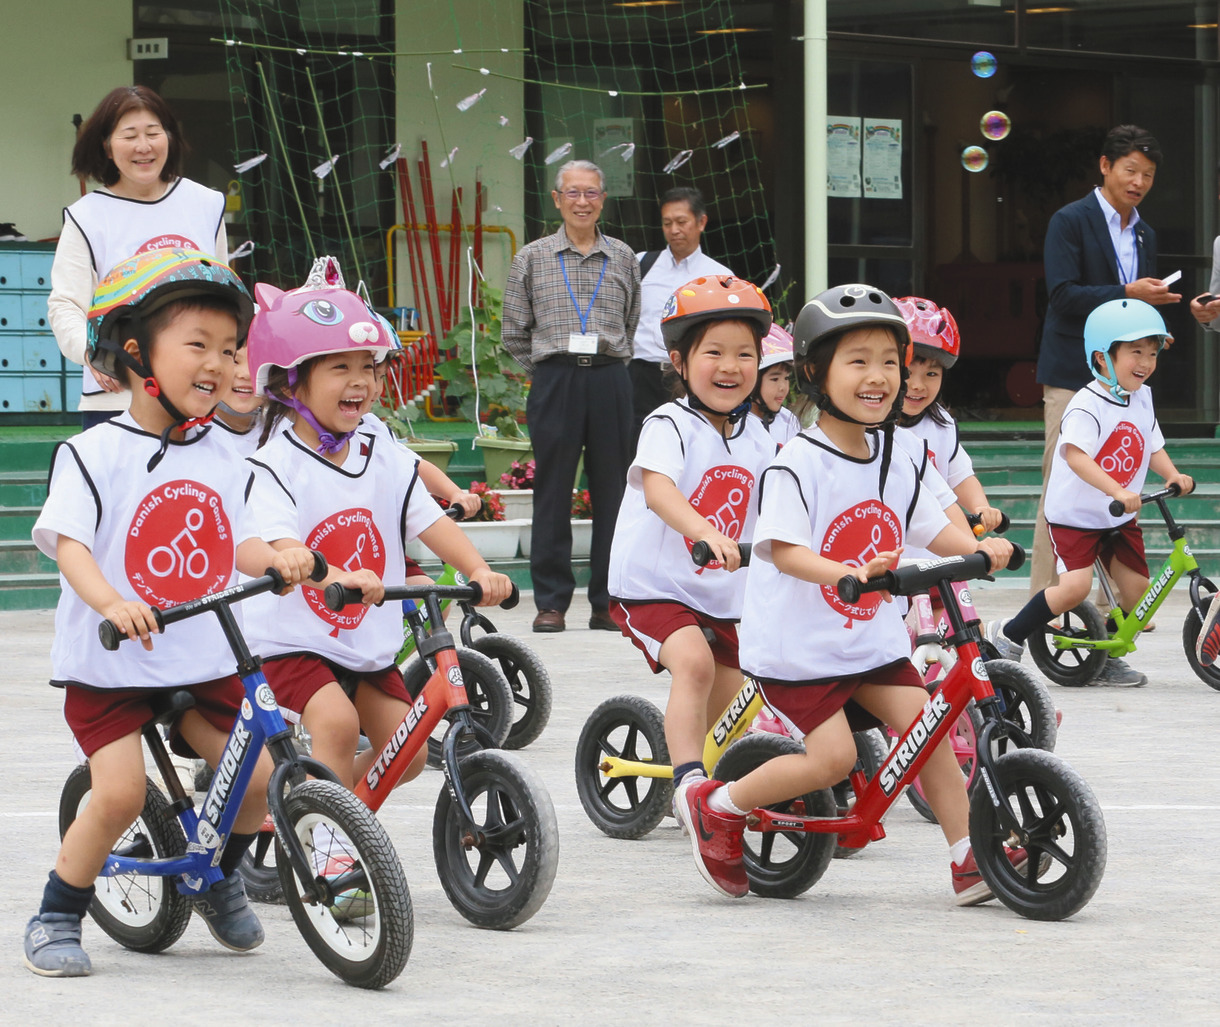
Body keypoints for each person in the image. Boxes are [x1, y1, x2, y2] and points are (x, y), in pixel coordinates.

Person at [23, 249, 316, 977]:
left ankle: (215, 874)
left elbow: (235, 541)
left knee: (259, 778)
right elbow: (71, 547)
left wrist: (277, 557)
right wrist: (113, 602)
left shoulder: (226, 455)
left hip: (198, 654)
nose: (220, 364)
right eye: (198, 345)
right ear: (137, 352)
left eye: (230, 348)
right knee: (121, 793)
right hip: (113, 660)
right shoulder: (92, 453)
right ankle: (57, 911)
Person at [673, 284, 1015, 903]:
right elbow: (783, 550)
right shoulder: (798, 462)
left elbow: (933, 528)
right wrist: (846, 574)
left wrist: (977, 547)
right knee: (831, 759)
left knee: (929, 729)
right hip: (800, 647)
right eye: (858, 361)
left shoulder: (899, 453)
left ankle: (968, 857)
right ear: (814, 373)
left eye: (889, 362)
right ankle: (719, 805)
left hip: (867, 640)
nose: (878, 377)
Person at [242, 257, 513, 797]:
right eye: (340, 368)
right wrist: (325, 572)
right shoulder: (274, 463)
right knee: (337, 726)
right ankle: (327, 836)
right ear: (291, 384)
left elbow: (426, 518)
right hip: (294, 640)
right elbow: (280, 542)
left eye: (368, 367)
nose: (360, 381)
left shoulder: (378, 446)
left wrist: (478, 569)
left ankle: (320, 806)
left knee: (407, 751)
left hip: (364, 637)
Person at [607, 276, 776, 808]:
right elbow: (659, 490)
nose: (731, 366)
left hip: (718, 592)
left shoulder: (759, 436)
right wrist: (704, 530)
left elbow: (780, 504)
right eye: (714, 353)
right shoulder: (670, 424)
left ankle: (710, 774)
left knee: (732, 697)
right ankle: (689, 788)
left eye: (745, 354)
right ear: (679, 362)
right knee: (695, 665)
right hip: (652, 584)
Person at [1033, 125, 1179, 685]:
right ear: (1105, 166)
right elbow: (1062, 295)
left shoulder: (1145, 233)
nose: (1138, 182)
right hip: (1075, 378)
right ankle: (1041, 627)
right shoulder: (1070, 220)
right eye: (1130, 170)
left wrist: (1154, 312)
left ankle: (1101, 642)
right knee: (1063, 496)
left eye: (1148, 175)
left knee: (1118, 501)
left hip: (1124, 385)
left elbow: (1136, 315)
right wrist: (1128, 294)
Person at [987, 299, 1193, 687]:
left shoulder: (1142, 397)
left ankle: (1107, 655)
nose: (1146, 362)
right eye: (1135, 352)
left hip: (1116, 515)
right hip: (1076, 515)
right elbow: (1077, 457)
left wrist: (1173, 475)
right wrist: (1117, 489)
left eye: (1152, 353)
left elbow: (1152, 444)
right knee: (1075, 588)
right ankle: (1009, 634)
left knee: (1139, 595)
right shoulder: (1086, 404)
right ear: (1102, 357)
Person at [502, 160, 640, 633]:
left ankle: (607, 602)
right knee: (553, 491)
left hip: (609, 380)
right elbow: (513, 331)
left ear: (603, 200)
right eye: (573, 193)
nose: (583, 202)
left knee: (613, 492)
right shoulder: (531, 257)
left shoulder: (623, 257)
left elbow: (630, 322)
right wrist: (548, 371)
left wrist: (604, 363)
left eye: (592, 193)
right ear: (557, 200)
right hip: (555, 379)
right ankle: (551, 603)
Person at [48, 86, 228, 430]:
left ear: (169, 137)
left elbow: (224, 295)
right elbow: (65, 305)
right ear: (107, 146)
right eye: (129, 136)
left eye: (153, 133)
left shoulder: (206, 204)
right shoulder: (86, 216)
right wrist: (95, 353)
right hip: (117, 398)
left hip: (199, 395)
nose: (143, 146)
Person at [629, 187, 733, 447]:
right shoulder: (641, 264)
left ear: (701, 222)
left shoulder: (720, 276)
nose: (674, 230)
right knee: (636, 447)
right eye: (667, 223)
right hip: (640, 377)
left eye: (681, 222)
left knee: (691, 445)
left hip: (691, 377)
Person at [894, 296, 1003, 532]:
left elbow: (959, 476)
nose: (918, 385)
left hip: (937, 546)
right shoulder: (867, 427)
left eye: (931, 374)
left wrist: (981, 507)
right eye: (907, 373)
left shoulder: (941, 425)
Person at [750, 323, 801, 445]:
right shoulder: (736, 425)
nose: (783, 387)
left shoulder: (788, 421)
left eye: (786, 378)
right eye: (774, 379)